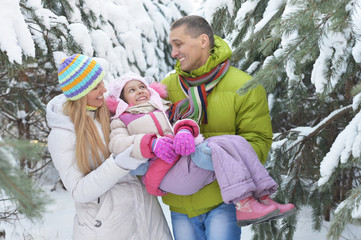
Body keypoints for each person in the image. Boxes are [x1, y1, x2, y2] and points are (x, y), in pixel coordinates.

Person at [106, 72, 295, 228]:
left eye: (142, 87)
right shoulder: (121, 120)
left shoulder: (162, 107)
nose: (140, 91)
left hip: (183, 162)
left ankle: (263, 196)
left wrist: (185, 131)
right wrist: (151, 144)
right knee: (215, 148)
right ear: (122, 99)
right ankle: (243, 204)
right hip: (165, 174)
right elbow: (117, 144)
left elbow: (181, 119)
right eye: (132, 90)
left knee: (235, 141)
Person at [159, 15, 278, 240]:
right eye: (172, 46)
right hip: (181, 204)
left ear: (203, 40)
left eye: (179, 44)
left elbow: (259, 142)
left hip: (223, 201)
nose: (174, 53)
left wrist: (214, 160)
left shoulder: (245, 86)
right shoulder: (166, 88)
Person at [46, 54, 172, 240]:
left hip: (148, 216)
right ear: (80, 93)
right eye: (96, 87)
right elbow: (78, 191)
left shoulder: (112, 111)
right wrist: (119, 164)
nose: (104, 89)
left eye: (102, 82)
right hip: (106, 228)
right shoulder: (62, 134)